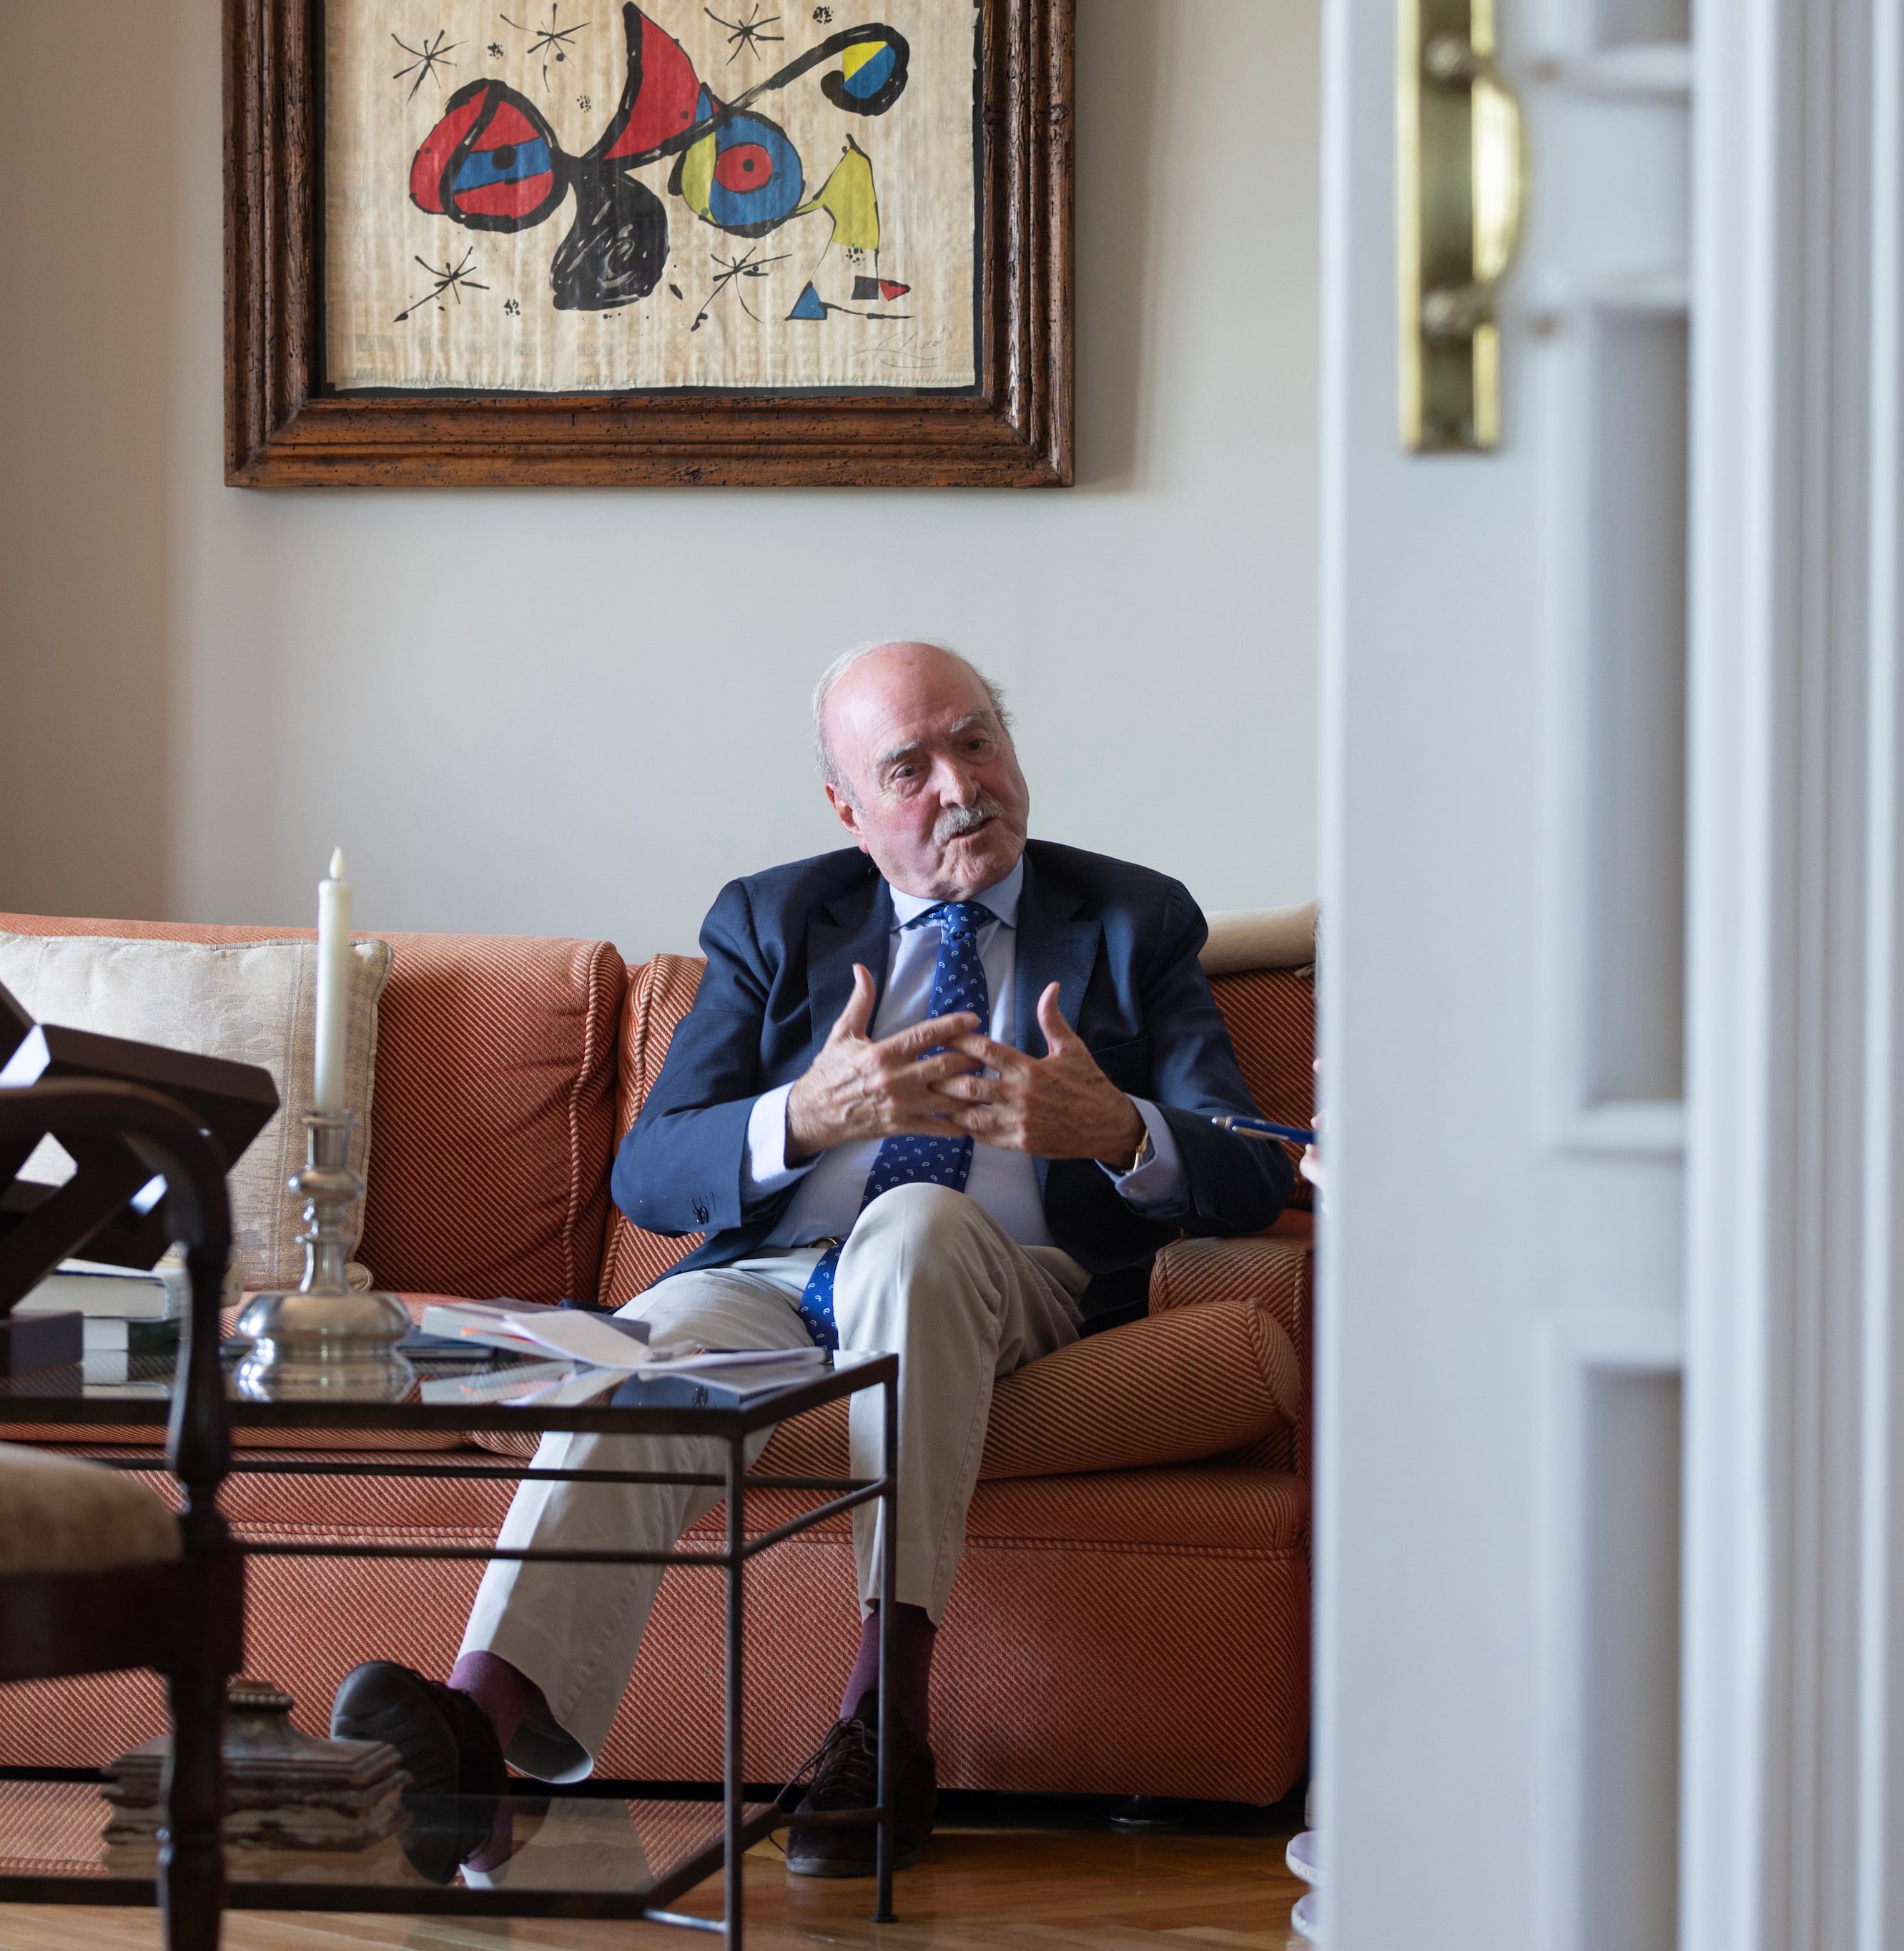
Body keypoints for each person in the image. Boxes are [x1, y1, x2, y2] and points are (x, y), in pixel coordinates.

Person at [332, 640, 1293, 1875]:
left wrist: (1117, 1131)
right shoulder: (775, 917)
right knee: (644, 1351)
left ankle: (883, 1719)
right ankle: (478, 1729)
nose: (959, 784)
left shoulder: (1132, 920)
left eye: (976, 739)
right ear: (848, 809)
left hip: (1012, 1276)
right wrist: (803, 1118)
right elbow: (653, 1171)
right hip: (773, 1278)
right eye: (909, 766)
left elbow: (1250, 1159)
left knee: (919, 1225)